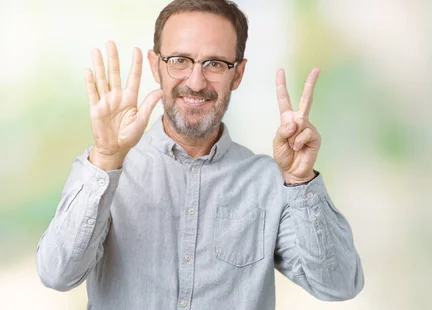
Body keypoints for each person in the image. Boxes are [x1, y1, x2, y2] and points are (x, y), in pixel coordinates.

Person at [36, 0, 364, 309]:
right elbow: (57, 274)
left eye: (215, 64)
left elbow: (339, 284)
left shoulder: (268, 180)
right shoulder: (103, 172)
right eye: (179, 60)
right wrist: (107, 158)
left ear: (237, 74)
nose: (195, 82)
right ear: (156, 65)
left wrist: (300, 181)